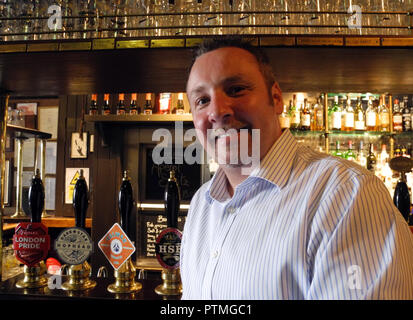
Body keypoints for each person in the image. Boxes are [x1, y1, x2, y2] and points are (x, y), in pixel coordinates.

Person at [180, 37, 413, 300]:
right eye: (201, 100)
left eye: (236, 89)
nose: (217, 111)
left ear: (276, 98)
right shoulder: (202, 204)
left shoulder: (347, 195)